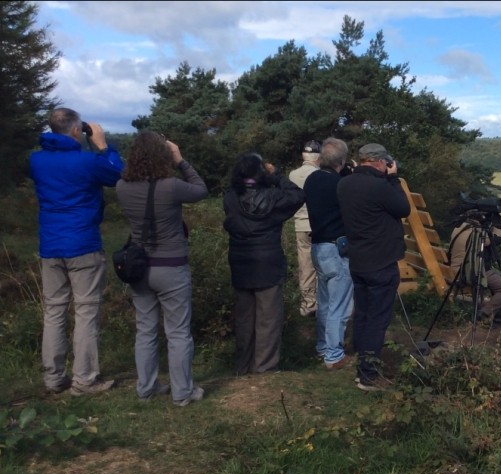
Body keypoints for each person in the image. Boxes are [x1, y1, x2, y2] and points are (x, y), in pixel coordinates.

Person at [29, 107, 124, 396]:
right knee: (85, 312)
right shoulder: (88, 162)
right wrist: (103, 144)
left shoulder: (36, 161)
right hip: (83, 244)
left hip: (50, 246)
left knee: (54, 312)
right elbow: (117, 174)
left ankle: (54, 378)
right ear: (75, 130)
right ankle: (84, 380)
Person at [115, 131, 208, 406]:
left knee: (145, 331)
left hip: (139, 268)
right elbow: (201, 189)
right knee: (178, 332)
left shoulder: (122, 186)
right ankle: (183, 393)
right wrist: (181, 161)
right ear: (163, 155)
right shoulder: (172, 186)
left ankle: (146, 389)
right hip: (171, 266)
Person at [223, 153, 305, 375]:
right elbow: (298, 195)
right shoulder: (274, 197)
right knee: (268, 317)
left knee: (244, 318)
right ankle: (265, 366)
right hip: (268, 261)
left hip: (240, 261)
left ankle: (243, 365)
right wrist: (276, 175)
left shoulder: (230, 197)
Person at [337, 143, 411, 391]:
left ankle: (362, 364)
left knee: (363, 314)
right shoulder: (380, 186)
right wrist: (394, 178)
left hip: (358, 259)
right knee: (377, 319)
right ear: (380, 162)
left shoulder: (344, 183)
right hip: (381, 261)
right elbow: (403, 208)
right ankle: (368, 374)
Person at [304, 138, 354, 370]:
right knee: (339, 304)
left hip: (319, 246)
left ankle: (323, 346)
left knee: (324, 302)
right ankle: (334, 355)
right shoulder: (341, 185)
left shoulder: (312, 179)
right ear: (342, 161)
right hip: (337, 248)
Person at [448, 210, 501, 325]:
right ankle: (484, 313)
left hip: (455, 269)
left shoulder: (459, 227)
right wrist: (494, 221)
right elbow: (498, 239)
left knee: (496, 277)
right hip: (468, 272)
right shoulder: (478, 233)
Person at [288, 140, 322, 317]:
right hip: (319, 224)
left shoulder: (292, 175)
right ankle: (325, 302)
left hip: (300, 225)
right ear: (319, 157)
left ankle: (308, 305)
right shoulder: (321, 175)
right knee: (323, 265)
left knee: (305, 265)